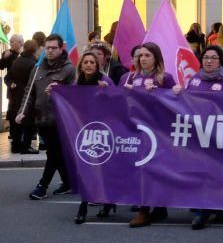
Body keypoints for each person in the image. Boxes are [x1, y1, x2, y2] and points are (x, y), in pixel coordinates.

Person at [174, 45, 223, 229]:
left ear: (220, 61)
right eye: (206, 57)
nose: (209, 61)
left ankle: (219, 207)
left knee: (216, 172)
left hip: (219, 134)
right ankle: (201, 211)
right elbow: (186, 103)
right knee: (200, 170)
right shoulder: (195, 79)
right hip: (198, 134)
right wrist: (178, 92)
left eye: (213, 57)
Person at [123, 43, 177, 227]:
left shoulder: (165, 78)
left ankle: (152, 209)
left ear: (156, 58)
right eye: (141, 56)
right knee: (141, 168)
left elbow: (175, 103)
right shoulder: (132, 77)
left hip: (158, 130)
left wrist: (164, 94)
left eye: (147, 55)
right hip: (138, 129)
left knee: (155, 169)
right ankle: (146, 208)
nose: (143, 59)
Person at [17, 34, 77, 200]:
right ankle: (68, 182)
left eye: (54, 48)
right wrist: (22, 111)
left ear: (61, 49)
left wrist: (61, 89)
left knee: (53, 153)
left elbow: (75, 95)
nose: (49, 51)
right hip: (41, 118)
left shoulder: (69, 69)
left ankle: (42, 186)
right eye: (47, 47)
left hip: (61, 119)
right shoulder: (37, 69)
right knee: (56, 152)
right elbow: (29, 93)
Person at [72, 51, 117, 224]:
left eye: (92, 62)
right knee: (86, 168)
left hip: (105, 131)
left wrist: (107, 92)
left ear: (97, 66)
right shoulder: (77, 84)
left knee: (104, 169)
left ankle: (108, 201)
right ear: (81, 65)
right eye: (86, 62)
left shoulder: (105, 81)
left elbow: (118, 100)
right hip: (85, 131)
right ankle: (83, 207)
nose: (89, 65)